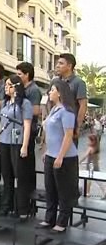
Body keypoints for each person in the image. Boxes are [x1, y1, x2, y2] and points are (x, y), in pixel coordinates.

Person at [37, 79, 79, 233]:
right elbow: (50, 133)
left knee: (63, 190)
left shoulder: (67, 111)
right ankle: (49, 218)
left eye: (52, 90)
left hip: (65, 157)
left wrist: (60, 156)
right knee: (50, 189)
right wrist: (47, 151)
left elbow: (68, 136)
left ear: (60, 93)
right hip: (51, 155)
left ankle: (62, 222)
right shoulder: (54, 110)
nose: (49, 93)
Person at [0, 75, 33, 219]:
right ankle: (7, 205)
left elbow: (27, 125)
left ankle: (23, 208)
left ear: (16, 87)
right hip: (5, 141)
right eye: (5, 85)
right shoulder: (5, 104)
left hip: (17, 142)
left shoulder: (24, 103)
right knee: (6, 175)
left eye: (9, 85)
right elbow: (1, 123)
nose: (6, 87)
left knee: (20, 176)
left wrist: (25, 145)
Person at [16, 62, 41, 201]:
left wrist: (23, 109)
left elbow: (36, 110)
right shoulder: (21, 88)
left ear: (27, 75)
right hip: (20, 128)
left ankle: (29, 191)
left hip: (29, 128)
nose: (17, 76)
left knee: (28, 161)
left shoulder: (33, 90)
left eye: (20, 74)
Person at [54, 53, 87, 144]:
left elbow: (83, 106)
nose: (57, 66)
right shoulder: (55, 82)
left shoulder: (79, 83)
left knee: (69, 156)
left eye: (61, 63)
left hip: (69, 127)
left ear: (69, 66)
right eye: (58, 63)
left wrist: (77, 127)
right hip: (55, 125)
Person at [80, 134, 105, 198]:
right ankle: (88, 192)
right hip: (95, 166)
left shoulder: (90, 148)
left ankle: (87, 193)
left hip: (90, 167)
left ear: (93, 142)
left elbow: (84, 156)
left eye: (89, 141)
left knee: (89, 179)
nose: (87, 142)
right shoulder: (96, 148)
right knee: (95, 180)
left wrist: (79, 162)